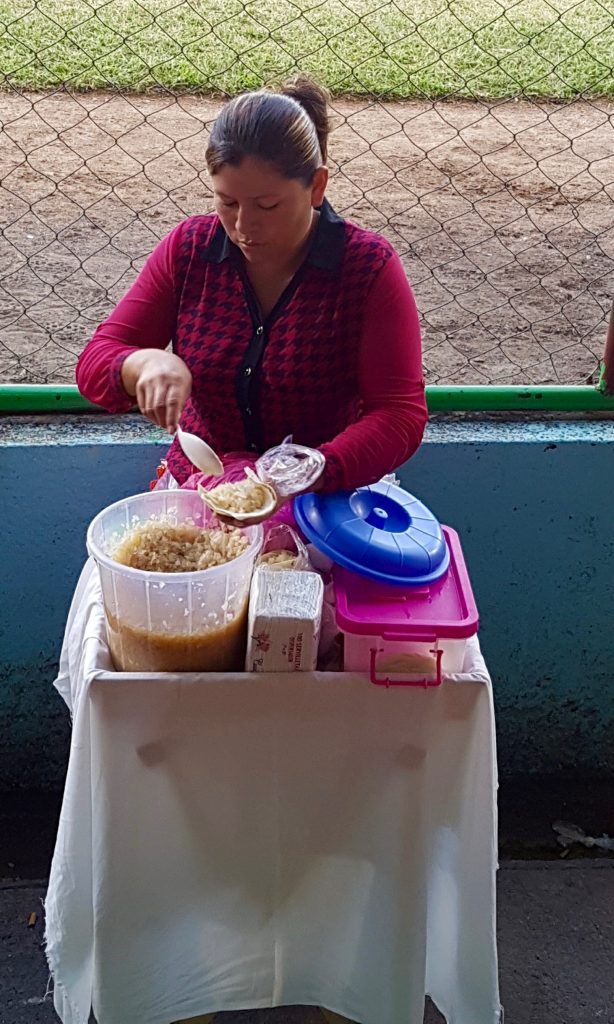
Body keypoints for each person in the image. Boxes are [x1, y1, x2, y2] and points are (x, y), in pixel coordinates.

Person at [76, 76, 427, 503]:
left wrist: (312, 470)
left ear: (317, 187)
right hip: (203, 489)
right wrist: (141, 364)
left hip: (326, 500)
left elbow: (398, 414)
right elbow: (98, 359)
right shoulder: (190, 250)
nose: (243, 227)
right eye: (227, 202)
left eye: (267, 206)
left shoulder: (366, 269)